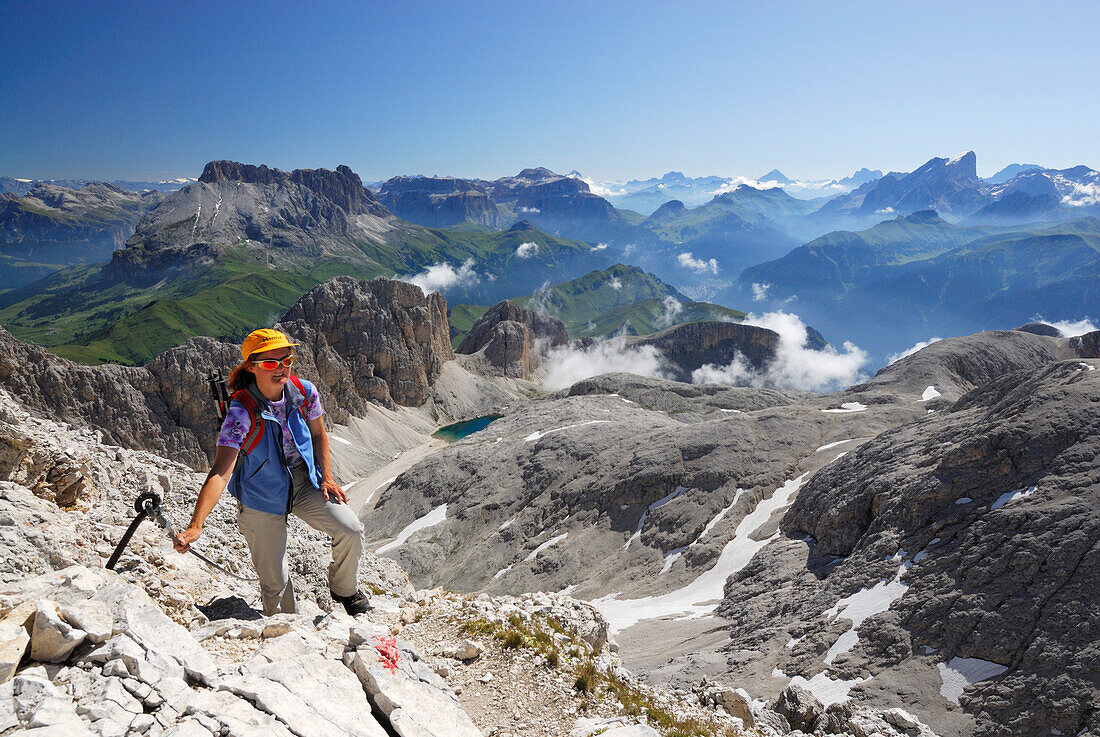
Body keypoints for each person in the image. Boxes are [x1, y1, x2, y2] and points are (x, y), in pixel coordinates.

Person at [173, 328, 370, 616]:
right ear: (251, 367)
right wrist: (196, 525)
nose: (280, 369)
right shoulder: (241, 411)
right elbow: (221, 471)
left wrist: (327, 477)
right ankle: (287, 630)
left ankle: (344, 590)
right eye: (269, 363)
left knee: (351, 529)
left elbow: (318, 434)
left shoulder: (303, 391)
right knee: (275, 584)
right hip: (260, 496)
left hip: (304, 483)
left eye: (286, 359)